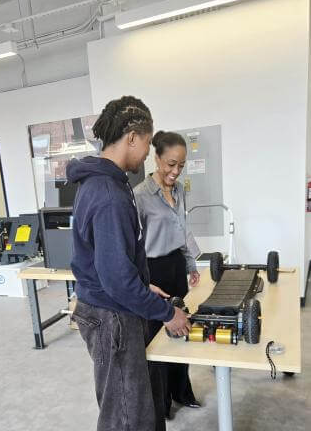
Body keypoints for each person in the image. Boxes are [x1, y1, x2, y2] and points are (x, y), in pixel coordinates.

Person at [66, 97, 191, 431]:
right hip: (112, 317)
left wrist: (141, 283)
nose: (148, 153)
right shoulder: (109, 194)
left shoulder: (102, 185)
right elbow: (117, 281)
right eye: (148, 144)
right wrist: (167, 313)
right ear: (132, 137)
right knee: (126, 415)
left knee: (134, 405)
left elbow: (106, 260)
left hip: (107, 307)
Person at [134, 130, 201, 419]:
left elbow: (182, 229)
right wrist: (141, 281)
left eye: (181, 166)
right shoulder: (139, 196)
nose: (175, 171)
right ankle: (160, 405)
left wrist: (191, 264)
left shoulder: (178, 190)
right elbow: (133, 244)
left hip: (175, 266)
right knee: (156, 342)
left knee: (181, 329)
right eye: (171, 164)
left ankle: (182, 392)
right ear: (157, 157)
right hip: (152, 271)